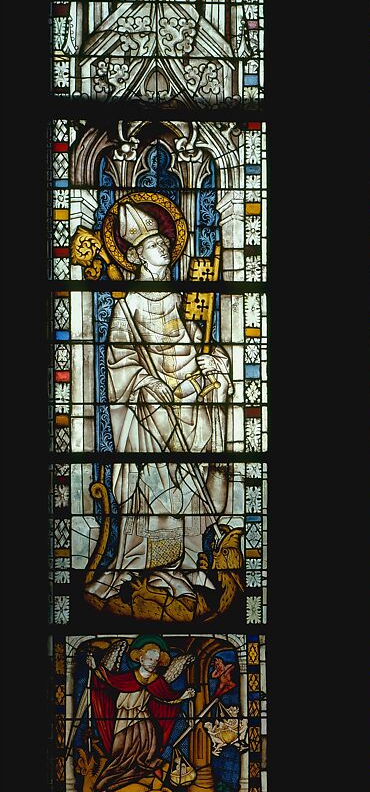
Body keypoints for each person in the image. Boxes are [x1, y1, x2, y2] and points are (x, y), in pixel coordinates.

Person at [86, 201, 233, 606]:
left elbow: (195, 352)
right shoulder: (127, 306)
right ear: (135, 255)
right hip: (148, 419)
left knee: (189, 490)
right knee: (156, 491)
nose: (164, 250)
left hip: (187, 409)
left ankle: (186, 562)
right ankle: (146, 565)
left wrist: (214, 364)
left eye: (166, 244)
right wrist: (150, 385)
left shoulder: (182, 300)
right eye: (154, 244)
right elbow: (120, 365)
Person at [87, 635, 195, 792]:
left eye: (157, 659)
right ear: (140, 657)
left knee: (145, 757)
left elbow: (166, 697)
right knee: (121, 757)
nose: (153, 662)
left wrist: (182, 696)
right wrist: (95, 667)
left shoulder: (156, 681)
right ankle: (104, 788)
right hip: (124, 720)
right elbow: (108, 679)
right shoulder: (128, 677)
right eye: (150, 657)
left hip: (145, 723)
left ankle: (136, 783)